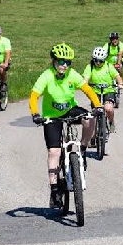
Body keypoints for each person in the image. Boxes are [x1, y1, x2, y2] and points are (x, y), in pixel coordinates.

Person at [29, 43, 102, 209]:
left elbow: (87, 89)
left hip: (70, 110)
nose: (64, 65)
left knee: (90, 119)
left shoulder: (72, 74)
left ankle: (82, 149)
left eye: (68, 62)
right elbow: (34, 95)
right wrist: (35, 114)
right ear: (54, 61)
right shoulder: (46, 76)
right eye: (61, 61)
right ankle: (54, 190)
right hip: (51, 117)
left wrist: (97, 105)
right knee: (54, 152)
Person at [83, 47, 123, 133]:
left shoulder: (108, 66)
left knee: (108, 108)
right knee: (95, 112)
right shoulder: (90, 67)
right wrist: (85, 85)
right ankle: (93, 135)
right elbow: (86, 78)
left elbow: (117, 76)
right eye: (96, 60)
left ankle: (111, 121)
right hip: (95, 92)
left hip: (108, 90)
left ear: (104, 60)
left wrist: (120, 84)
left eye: (101, 61)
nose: (98, 63)